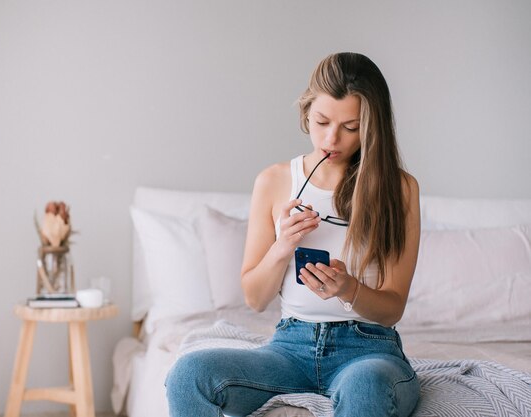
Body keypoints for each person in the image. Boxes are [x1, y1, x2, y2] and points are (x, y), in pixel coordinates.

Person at [165, 52, 421, 417]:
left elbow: (392, 309)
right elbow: (255, 298)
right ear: (306, 112)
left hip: (368, 351)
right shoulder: (274, 181)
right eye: (321, 121)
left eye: (350, 127)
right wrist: (282, 246)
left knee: (366, 386)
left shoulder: (400, 189)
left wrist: (348, 289)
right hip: (289, 348)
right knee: (188, 374)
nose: (331, 139)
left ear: (370, 127)